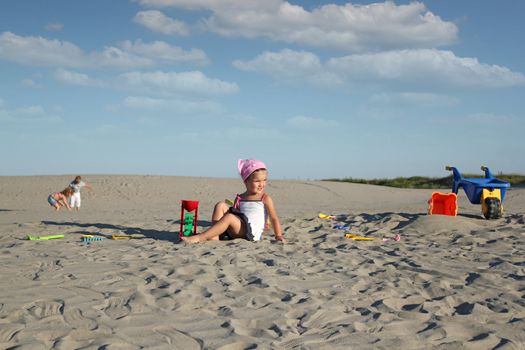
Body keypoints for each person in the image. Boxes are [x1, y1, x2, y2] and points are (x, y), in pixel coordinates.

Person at [182, 159, 285, 243]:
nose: (261, 184)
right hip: (239, 227)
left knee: (230, 217)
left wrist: (278, 235)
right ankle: (214, 235)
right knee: (220, 205)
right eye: (257, 181)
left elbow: (274, 218)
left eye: (264, 180)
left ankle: (201, 237)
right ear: (246, 181)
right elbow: (237, 214)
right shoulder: (240, 197)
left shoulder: (265, 198)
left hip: (250, 233)